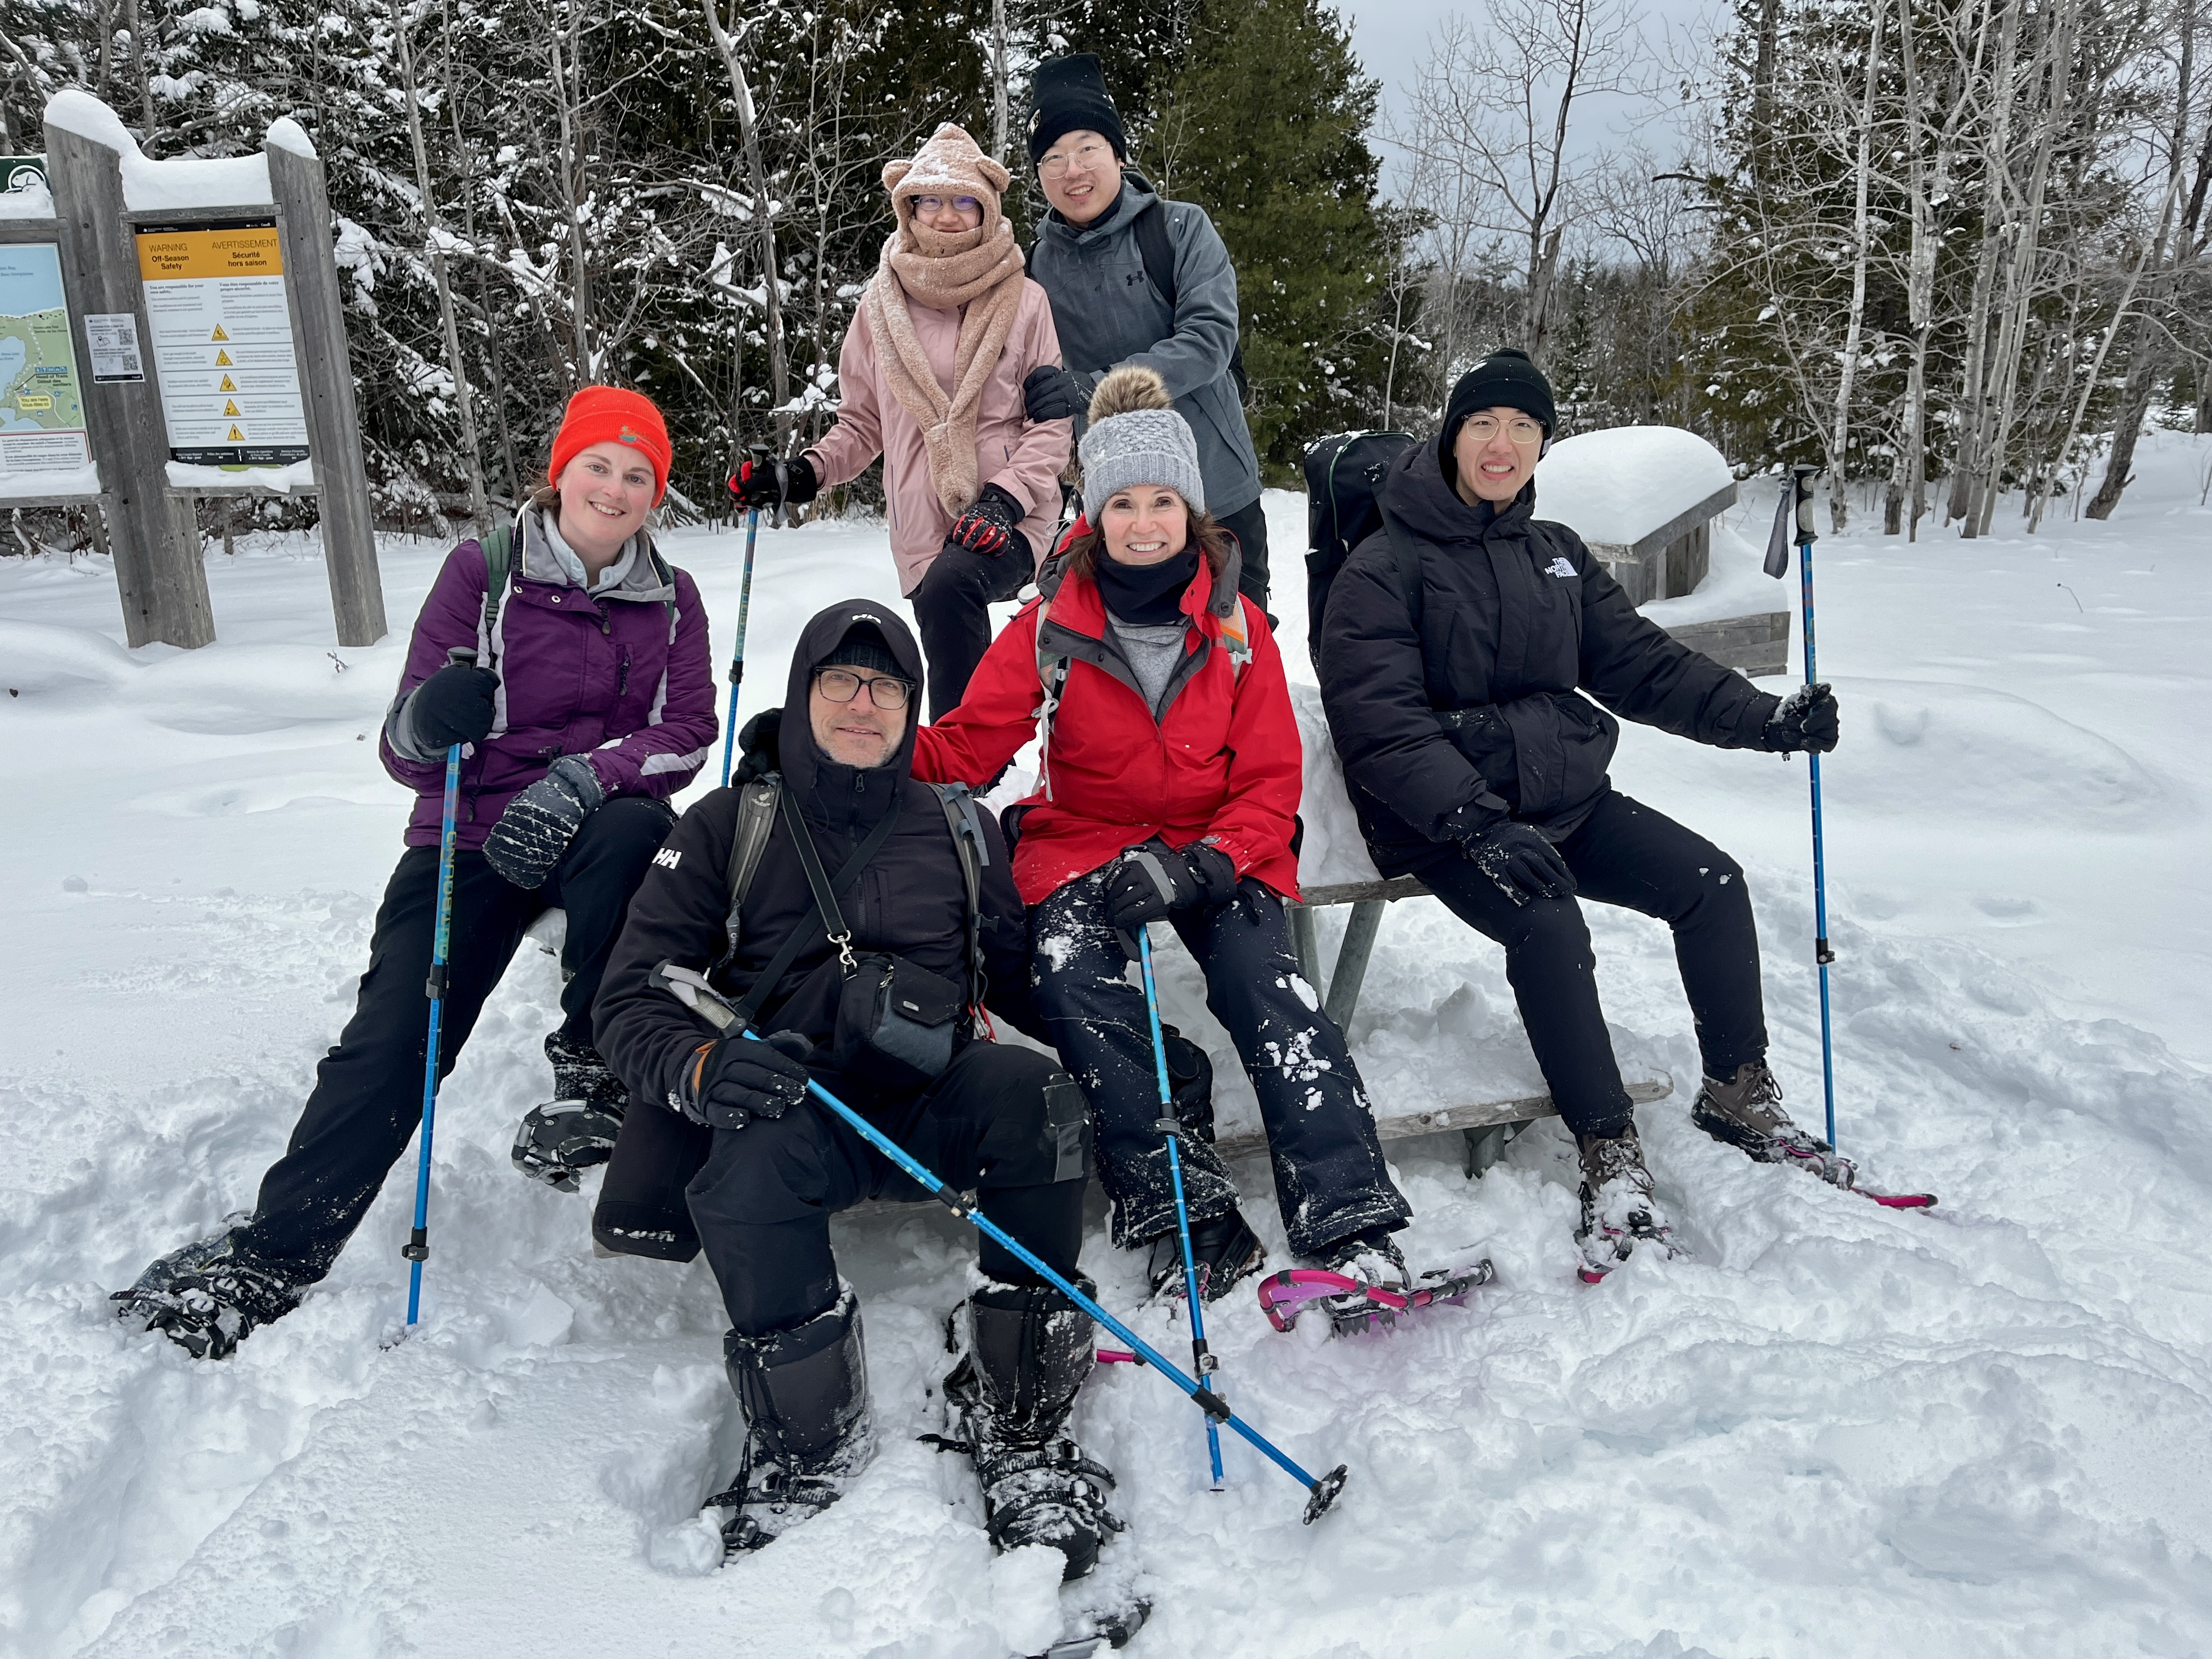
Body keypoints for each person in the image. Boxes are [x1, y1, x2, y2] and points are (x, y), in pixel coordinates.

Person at [111, 386, 718, 1356]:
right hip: (470, 833)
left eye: (637, 473)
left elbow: (687, 735)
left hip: (603, 825)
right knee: (398, 1032)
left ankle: (592, 1067)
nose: (614, 486)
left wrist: (582, 778)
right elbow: (402, 749)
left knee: (641, 840)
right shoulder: (483, 572)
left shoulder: (673, 600)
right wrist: (432, 718)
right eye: (598, 464)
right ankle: (277, 1249)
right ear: (560, 470)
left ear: (656, 493)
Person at [589, 602, 1120, 1578]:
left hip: (934, 1089)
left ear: (912, 706)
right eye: (840, 678)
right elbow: (628, 997)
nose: (862, 702)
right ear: (801, 693)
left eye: (886, 684)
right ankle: (806, 1441)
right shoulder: (725, 825)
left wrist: (1124, 1038)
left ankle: (1020, 1419)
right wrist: (702, 1068)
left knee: (1039, 1101)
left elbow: (1015, 976)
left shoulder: (959, 825)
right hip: (796, 1098)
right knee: (744, 1170)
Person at [1317, 347, 1854, 1282]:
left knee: (1710, 882)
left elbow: (1644, 666)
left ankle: (1737, 1089)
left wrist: (1764, 720)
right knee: (1548, 924)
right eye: (1484, 423)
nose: (1503, 443)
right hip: (1446, 820)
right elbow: (1381, 726)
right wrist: (1478, 822)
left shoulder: (1553, 553)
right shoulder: (1383, 566)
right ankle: (1608, 1151)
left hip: (1563, 797)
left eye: (1524, 427)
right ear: (1450, 435)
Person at [912, 365, 1411, 1311]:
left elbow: (1270, 781)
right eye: (1124, 502)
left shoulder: (1238, 629)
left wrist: (1208, 863)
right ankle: (1181, 1207)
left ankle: (1348, 1210)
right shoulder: (1048, 626)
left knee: (1270, 988)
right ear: (1094, 514)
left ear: (1192, 508)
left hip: (1217, 844)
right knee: (1070, 975)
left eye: (1163, 501)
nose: (1144, 522)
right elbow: (969, 745)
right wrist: (851, 749)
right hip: (1084, 839)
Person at [729, 123, 1070, 719]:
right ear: (907, 208)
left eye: (964, 201)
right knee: (944, 620)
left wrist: (1005, 501)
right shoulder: (879, 306)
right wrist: (803, 475)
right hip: (921, 517)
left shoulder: (1025, 300)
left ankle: (964, 767)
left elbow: (1052, 426)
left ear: (986, 210)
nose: (945, 216)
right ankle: (952, 757)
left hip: (1012, 512)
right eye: (930, 201)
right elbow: (863, 424)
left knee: (951, 586)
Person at [1017, 54, 1276, 619]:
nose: (1072, 170)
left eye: (1087, 147)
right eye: (1053, 158)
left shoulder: (1179, 229)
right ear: (1039, 176)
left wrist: (1092, 390)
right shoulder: (1036, 268)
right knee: (1131, 668)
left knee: (1239, 650)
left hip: (1217, 491)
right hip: (1117, 509)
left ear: (1117, 152)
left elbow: (1209, 340)